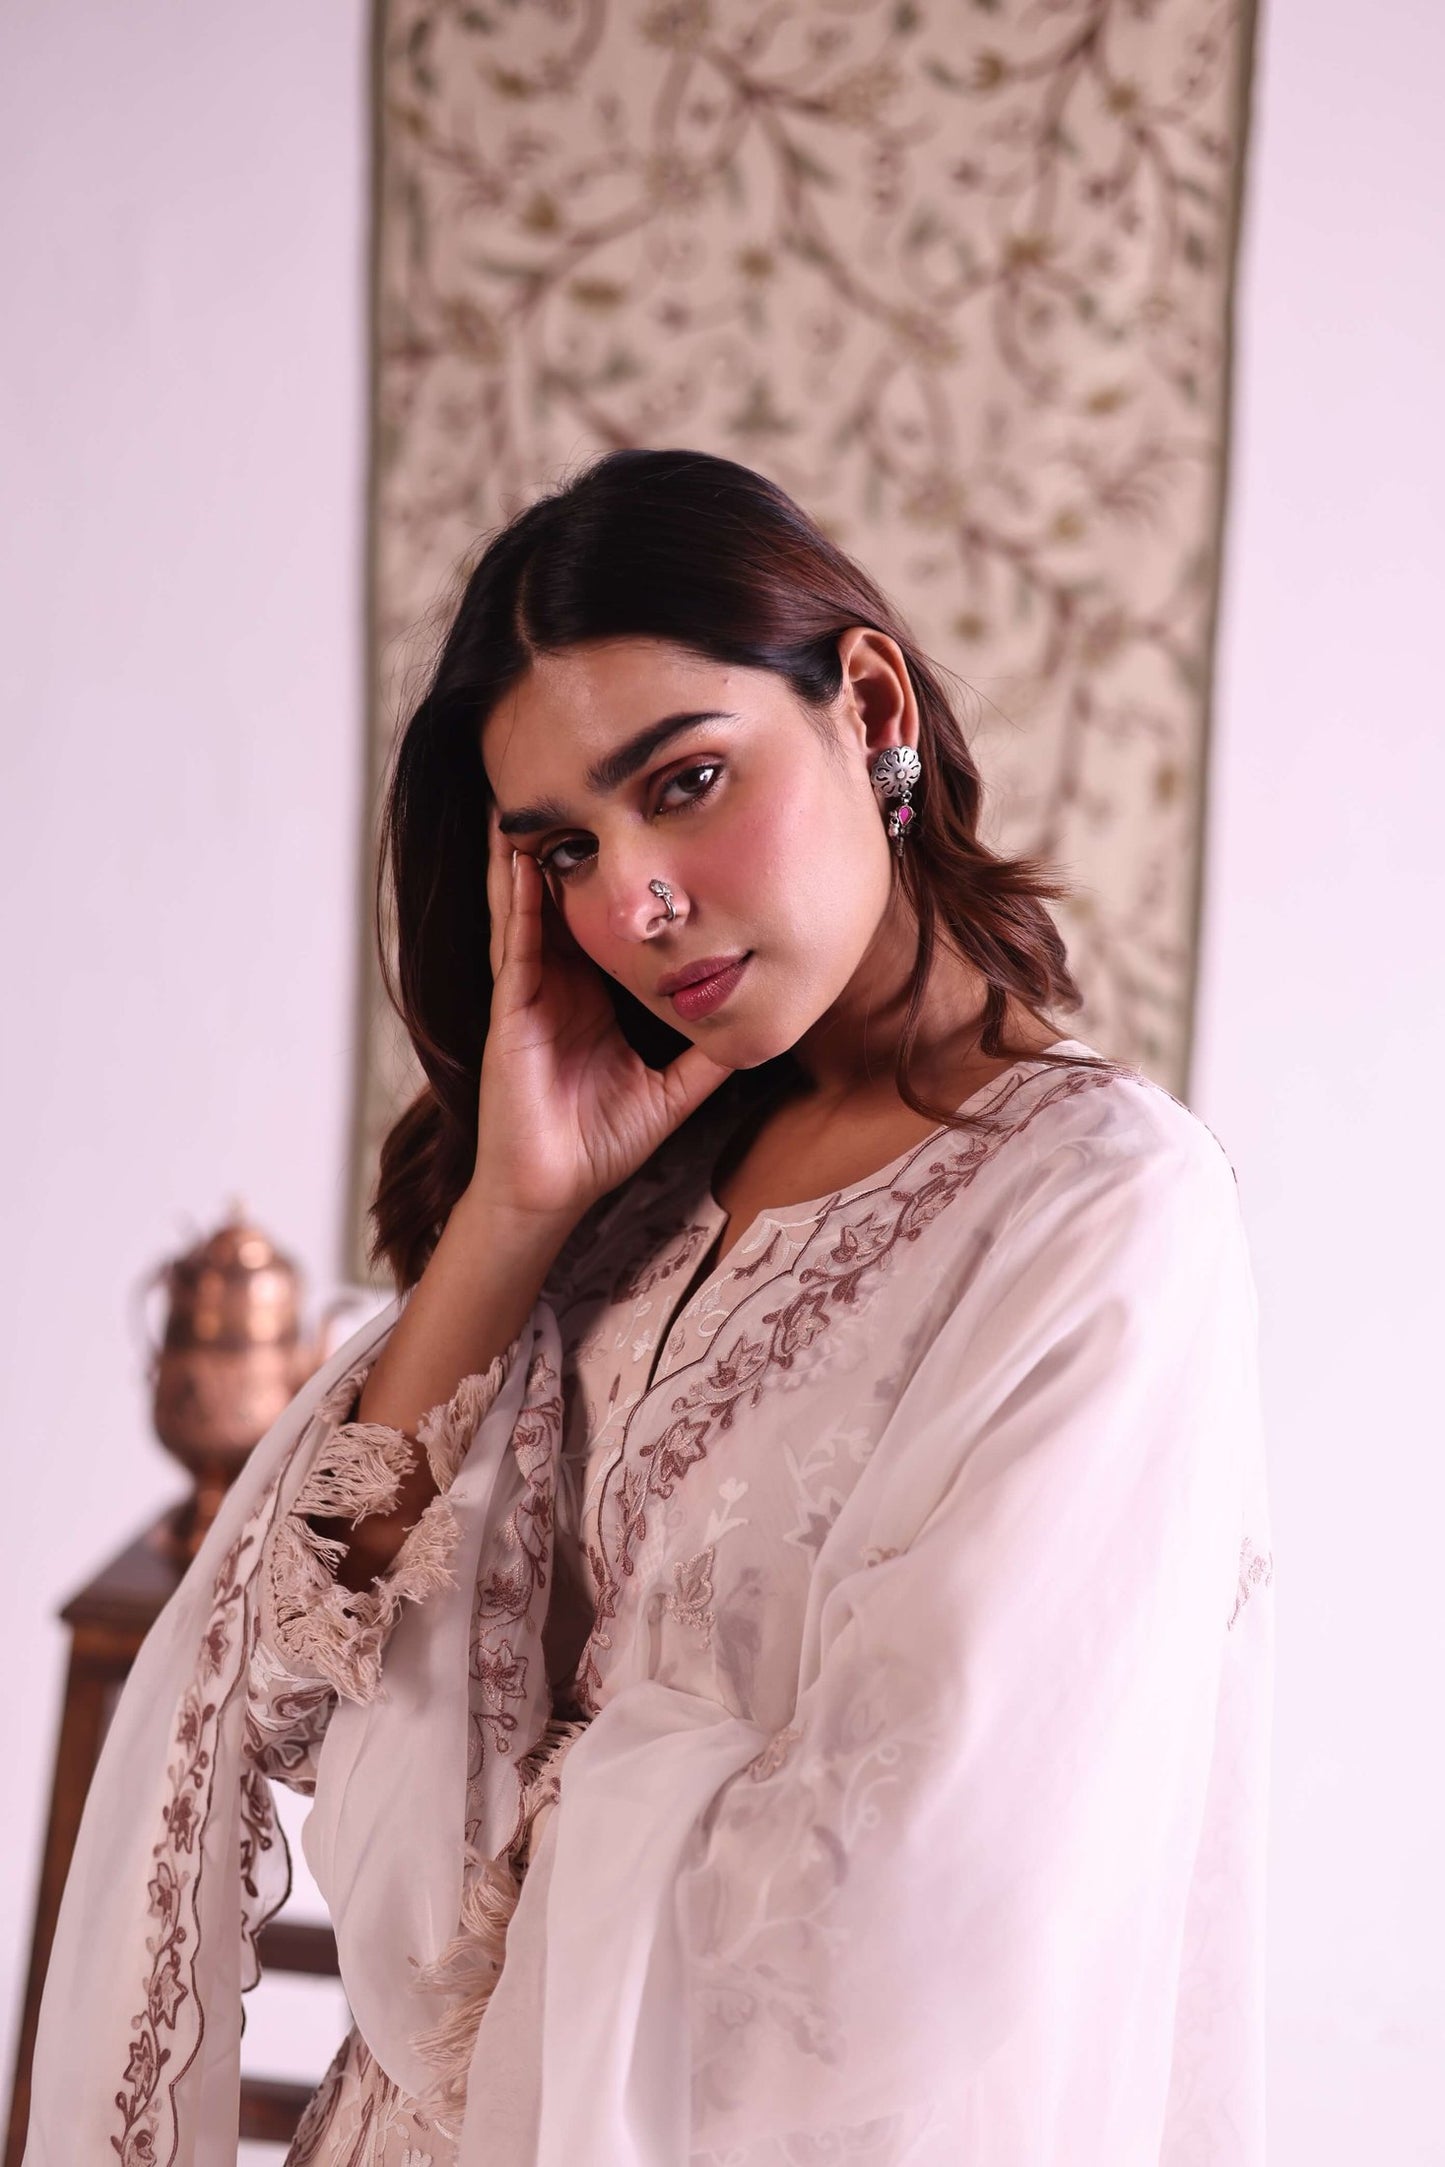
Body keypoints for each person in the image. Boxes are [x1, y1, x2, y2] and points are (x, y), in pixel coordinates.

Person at [24, 449, 1273, 2167]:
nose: (634, 903)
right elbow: (274, 1695)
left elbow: (910, 1912)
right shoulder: (619, 1207)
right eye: (563, 849)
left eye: (683, 782)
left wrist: (516, 1850)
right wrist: (515, 1208)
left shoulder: (1095, 1210)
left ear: (867, 701)